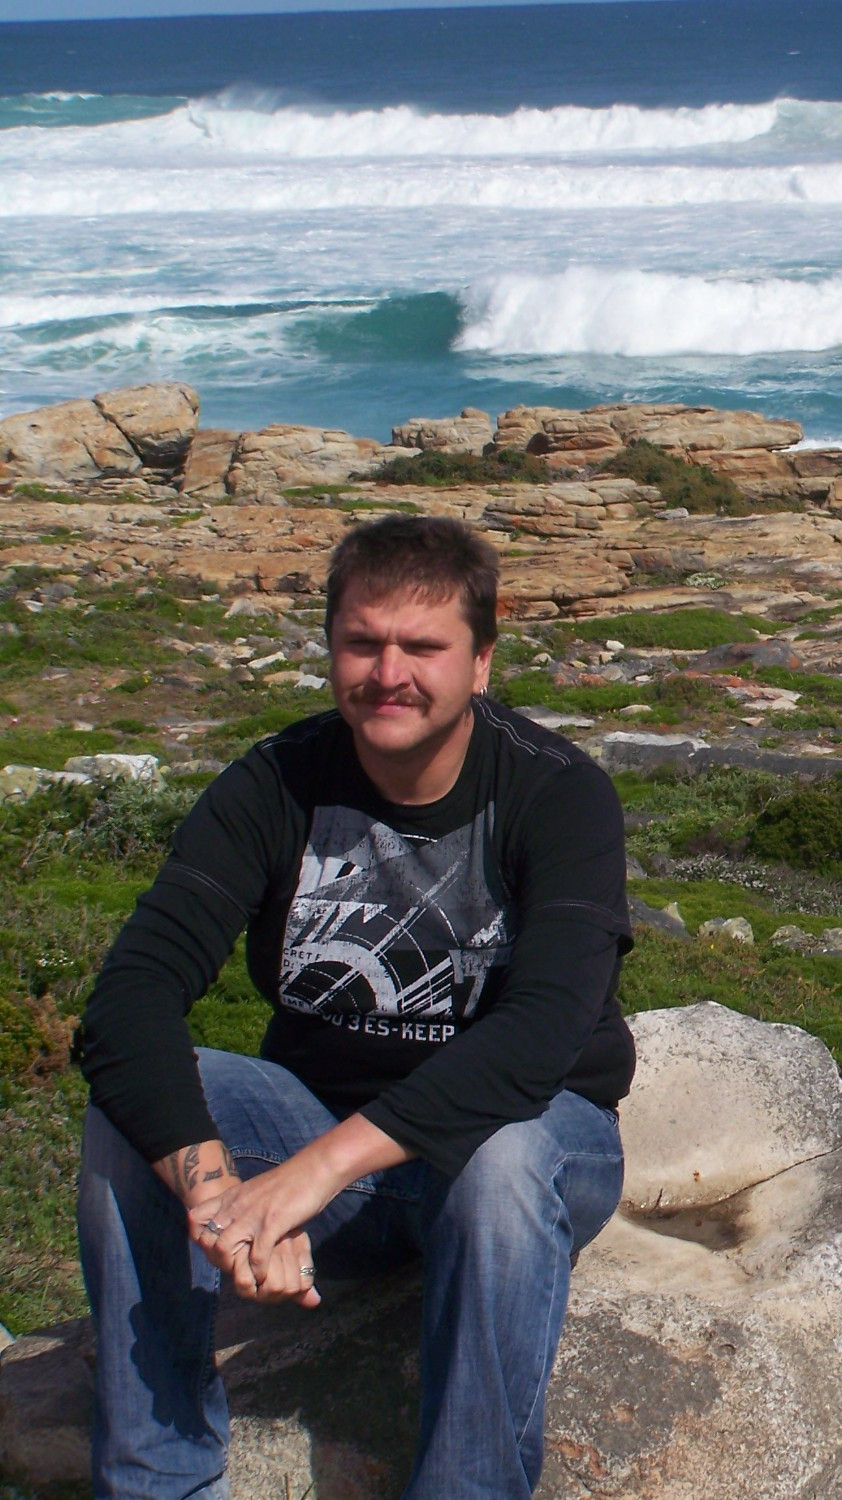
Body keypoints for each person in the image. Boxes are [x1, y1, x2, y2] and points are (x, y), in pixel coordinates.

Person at [75, 514, 636, 1500]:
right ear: (329, 646)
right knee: (145, 1104)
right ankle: (158, 1481)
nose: (389, 673)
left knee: (501, 1163)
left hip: (527, 1150)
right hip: (331, 1135)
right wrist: (222, 1200)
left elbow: (539, 1039)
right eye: (362, 642)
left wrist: (302, 1182)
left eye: (422, 647)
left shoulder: (558, 794)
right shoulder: (274, 784)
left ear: (480, 660)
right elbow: (127, 1005)